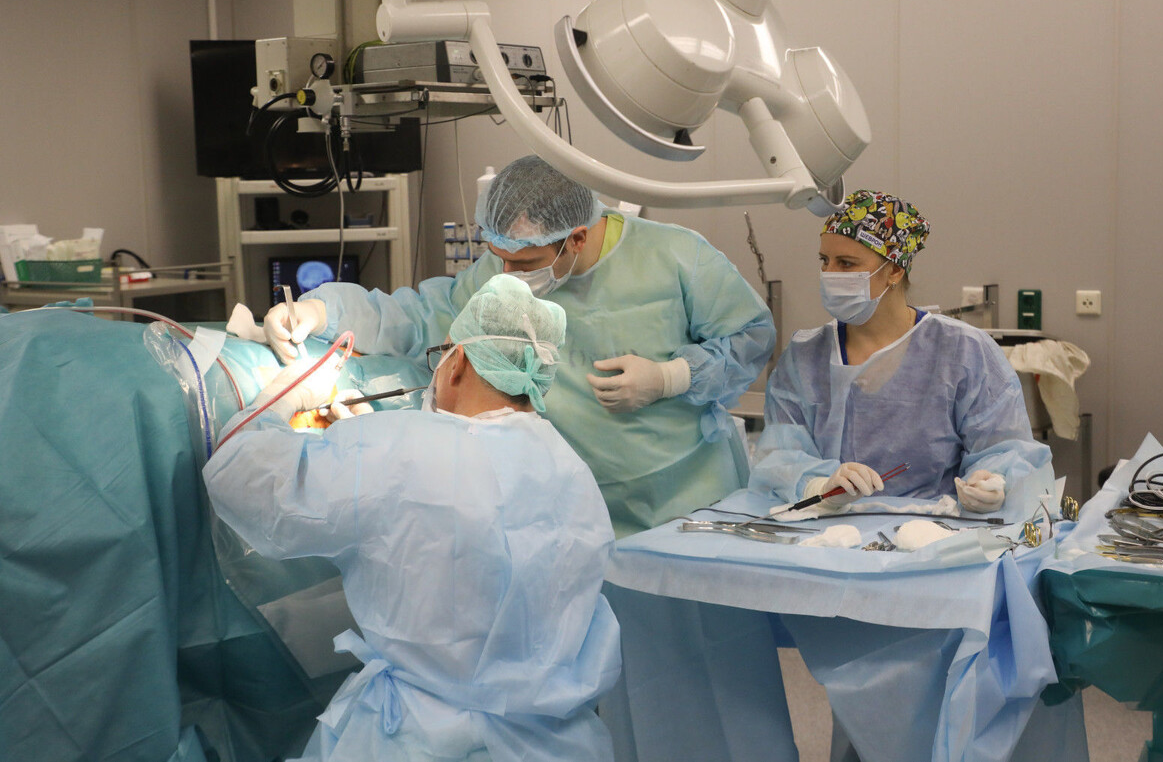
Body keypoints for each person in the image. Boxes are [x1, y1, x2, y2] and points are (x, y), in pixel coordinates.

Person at [204, 275, 622, 762]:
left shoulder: (397, 450)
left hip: (420, 742)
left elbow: (241, 475)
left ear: (457, 361)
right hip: (554, 745)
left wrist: (287, 395)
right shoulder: (570, 467)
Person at [264, 155, 775, 537]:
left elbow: (752, 335)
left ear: (577, 238)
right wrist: (323, 311)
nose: (507, 274)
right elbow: (425, 316)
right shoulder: (506, 263)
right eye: (500, 258)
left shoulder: (676, 256)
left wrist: (671, 377)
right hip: (579, 506)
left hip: (685, 503)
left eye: (525, 264)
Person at [750, 188, 1051, 515]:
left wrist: (992, 482)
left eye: (847, 263)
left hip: (930, 530)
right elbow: (779, 457)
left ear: (894, 270)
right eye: (825, 261)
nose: (830, 274)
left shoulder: (963, 351)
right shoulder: (805, 356)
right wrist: (819, 487)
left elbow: (1005, 451)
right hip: (827, 528)